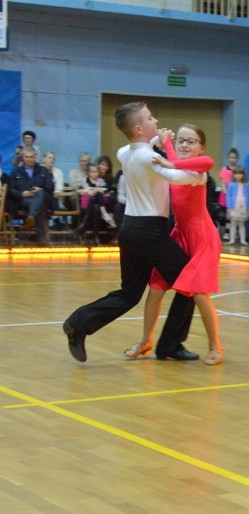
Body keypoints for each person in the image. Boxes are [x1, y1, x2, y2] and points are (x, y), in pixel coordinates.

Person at [62, 102, 204, 363]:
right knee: (190, 283)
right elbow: (179, 177)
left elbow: (131, 149)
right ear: (139, 128)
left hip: (130, 229)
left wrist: (157, 145)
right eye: (150, 118)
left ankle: (77, 324)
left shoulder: (125, 152)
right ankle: (170, 346)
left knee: (129, 294)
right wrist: (199, 176)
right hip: (150, 231)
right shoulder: (146, 157)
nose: (156, 120)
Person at [124, 124, 224, 365]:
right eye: (180, 140)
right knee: (156, 289)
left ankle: (216, 347)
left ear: (202, 147)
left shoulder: (198, 172)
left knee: (200, 294)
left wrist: (169, 158)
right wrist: (165, 146)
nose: (185, 145)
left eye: (191, 141)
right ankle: (145, 341)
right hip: (180, 235)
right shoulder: (173, 169)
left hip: (202, 237)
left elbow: (208, 162)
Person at [7, 148, 55, 244]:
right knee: (39, 205)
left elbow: (51, 187)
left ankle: (31, 217)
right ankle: (40, 237)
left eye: (31, 157)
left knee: (40, 195)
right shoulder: (16, 172)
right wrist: (21, 193)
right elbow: (11, 190)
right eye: (27, 157)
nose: (29, 159)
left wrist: (41, 189)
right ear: (23, 158)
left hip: (43, 200)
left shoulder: (43, 170)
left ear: (35, 157)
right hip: (24, 200)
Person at [225, 165, 249, 245]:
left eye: (240, 174)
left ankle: (243, 240)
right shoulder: (231, 185)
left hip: (243, 207)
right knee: (233, 223)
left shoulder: (246, 185)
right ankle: (232, 239)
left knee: (242, 224)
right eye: (236, 174)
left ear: (243, 174)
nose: (238, 176)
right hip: (234, 207)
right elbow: (228, 196)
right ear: (234, 175)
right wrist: (229, 207)